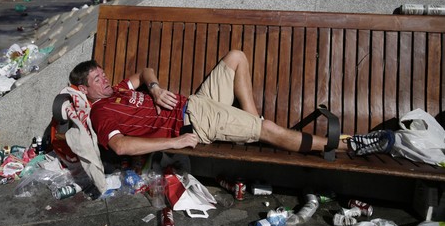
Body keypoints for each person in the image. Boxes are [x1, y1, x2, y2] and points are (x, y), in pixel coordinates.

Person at [69, 50, 396, 157]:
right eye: (97, 79)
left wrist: (153, 88)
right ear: (84, 90)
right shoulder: (101, 113)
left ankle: (252, 125)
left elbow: (144, 72)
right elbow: (122, 147)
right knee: (267, 129)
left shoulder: (118, 93)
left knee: (237, 56)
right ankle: (349, 145)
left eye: (103, 73)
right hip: (194, 122)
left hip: (197, 104)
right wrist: (176, 141)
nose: (105, 80)